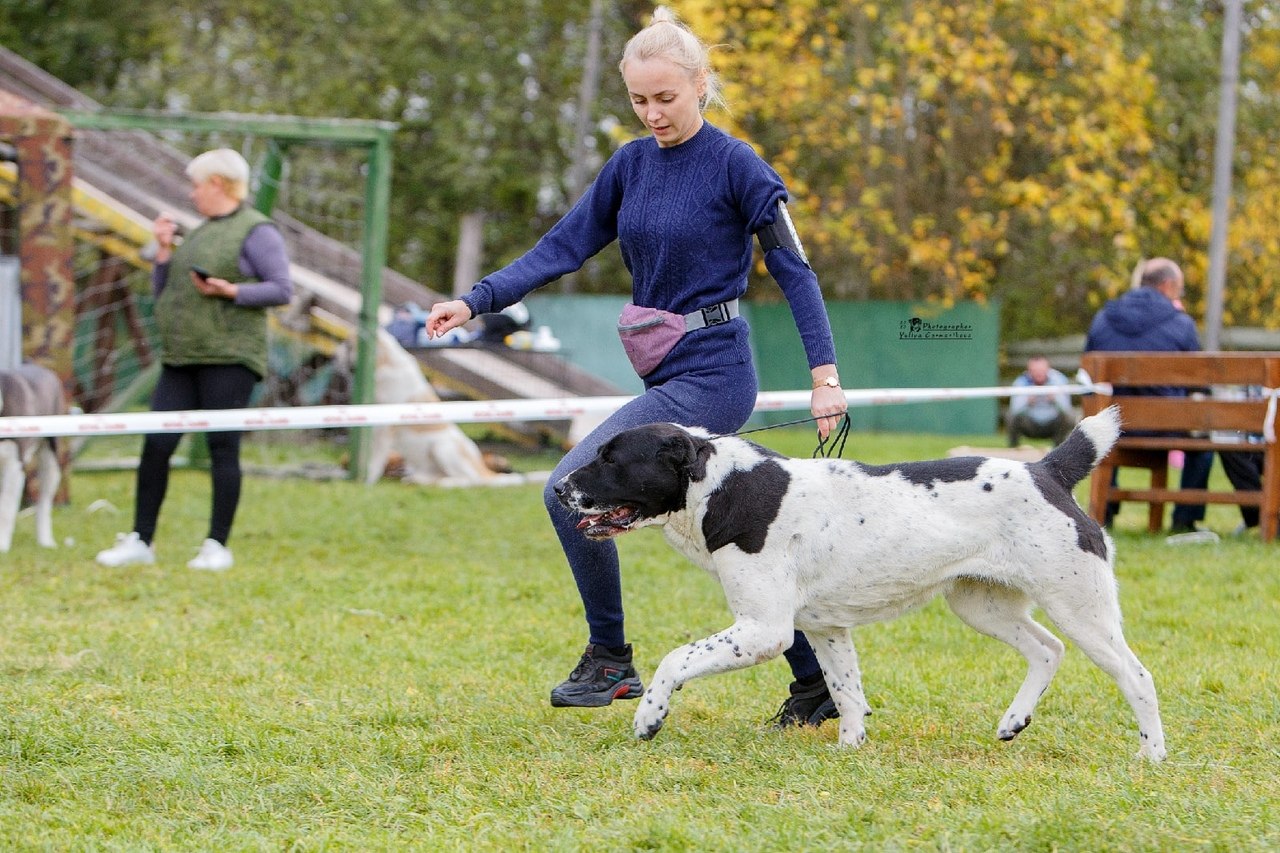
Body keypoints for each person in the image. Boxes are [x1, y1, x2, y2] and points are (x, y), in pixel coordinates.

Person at [426, 6, 848, 727]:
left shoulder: (738, 165)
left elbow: (796, 272)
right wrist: (476, 300)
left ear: (701, 85)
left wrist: (825, 375)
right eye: (638, 100)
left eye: (666, 98)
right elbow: (560, 248)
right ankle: (812, 680)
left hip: (713, 375)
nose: (652, 114)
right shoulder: (628, 165)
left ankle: (610, 659)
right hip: (663, 372)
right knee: (728, 537)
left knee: (569, 485)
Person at [96, 148, 293, 571]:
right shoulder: (201, 231)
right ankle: (141, 540)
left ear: (217, 184)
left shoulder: (257, 231)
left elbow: (281, 289)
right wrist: (164, 253)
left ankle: (216, 545)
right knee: (156, 445)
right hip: (182, 357)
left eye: (197, 184)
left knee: (223, 448)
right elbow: (166, 292)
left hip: (230, 356)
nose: (192, 194)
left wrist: (232, 292)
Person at [1083, 257, 1211, 532]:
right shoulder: (1181, 323)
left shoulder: (1103, 318)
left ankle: (1108, 510)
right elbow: (1199, 383)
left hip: (1112, 425)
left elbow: (1089, 375)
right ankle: (1184, 519)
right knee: (1203, 449)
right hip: (1166, 428)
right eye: (1180, 290)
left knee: (1111, 422)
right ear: (1167, 286)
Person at [1006, 356, 1075, 447]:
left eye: (1041, 370)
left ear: (1048, 369)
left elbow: (1067, 410)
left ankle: (1059, 450)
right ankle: (1013, 450)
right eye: (1035, 370)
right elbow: (1014, 410)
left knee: (1068, 418)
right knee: (1010, 417)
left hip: (1052, 423)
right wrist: (1027, 402)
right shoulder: (1021, 382)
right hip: (1030, 425)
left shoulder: (1058, 380)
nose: (1038, 373)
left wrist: (1055, 400)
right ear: (1029, 371)